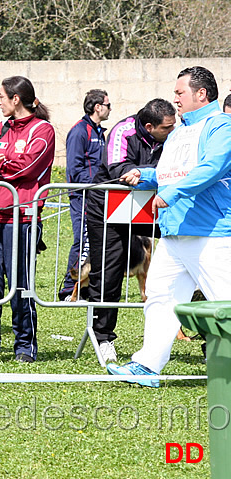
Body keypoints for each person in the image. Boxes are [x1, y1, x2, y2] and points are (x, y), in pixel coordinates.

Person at [108, 66, 231, 387]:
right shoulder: (178, 132)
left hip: (211, 234)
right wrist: (144, 177)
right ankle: (147, 366)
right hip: (175, 234)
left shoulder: (222, 126)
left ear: (201, 94)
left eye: (180, 93)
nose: (175, 98)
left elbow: (212, 167)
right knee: (159, 298)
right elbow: (169, 172)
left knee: (226, 304)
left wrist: (172, 193)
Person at [84, 99, 176, 362]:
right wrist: (136, 171)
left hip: (153, 204)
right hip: (109, 207)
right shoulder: (123, 130)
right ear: (149, 126)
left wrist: (144, 173)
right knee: (108, 271)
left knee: (188, 251)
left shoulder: (175, 134)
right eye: (166, 128)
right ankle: (103, 337)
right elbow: (116, 167)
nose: (172, 131)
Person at [0, 75, 55, 364]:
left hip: (21, 219)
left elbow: (28, 168)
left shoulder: (43, 130)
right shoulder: (0, 128)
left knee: (20, 284)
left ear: (15, 99)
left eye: (1, 96)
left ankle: (24, 346)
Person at [59, 89, 110, 301]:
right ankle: (68, 289)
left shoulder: (99, 131)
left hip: (98, 195)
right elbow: (74, 168)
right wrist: (93, 185)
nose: (110, 109)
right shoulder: (80, 131)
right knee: (82, 242)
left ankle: (87, 287)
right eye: (108, 105)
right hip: (83, 196)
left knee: (97, 241)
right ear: (97, 107)